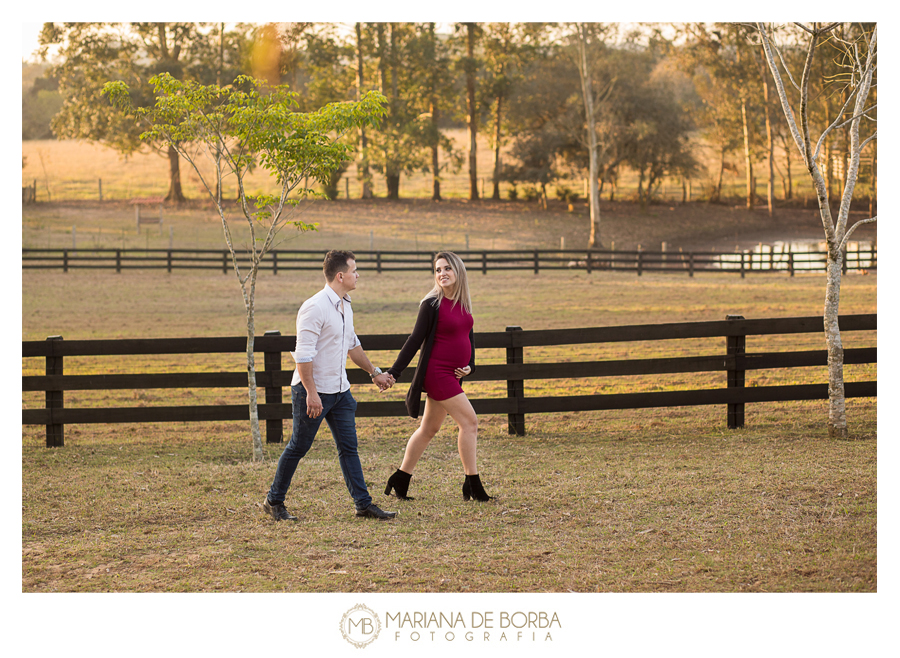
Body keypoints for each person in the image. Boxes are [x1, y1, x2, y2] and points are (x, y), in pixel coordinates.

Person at [263, 250, 398, 521]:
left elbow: (353, 345)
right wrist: (312, 394)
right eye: (354, 270)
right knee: (298, 447)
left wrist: (375, 372)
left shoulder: (345, 303)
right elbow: (303, 355)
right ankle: (273, 501)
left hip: (340, 393)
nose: (358, 275)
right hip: (312, 392)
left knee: (349, 447)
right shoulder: (314, 307)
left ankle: (363, 504)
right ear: (340, 275)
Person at [383, 251, 493, 502]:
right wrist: (393, 372)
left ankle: (400, 479)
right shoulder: (431, 304)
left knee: (428, 429)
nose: (441, 273)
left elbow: (468, 338)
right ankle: (473, 485)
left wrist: (470, 366)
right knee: (470, 422)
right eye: (437, 270)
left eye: (447, 269)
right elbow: (414, 341)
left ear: (458, 272)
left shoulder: (463, 302)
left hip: (453, 375)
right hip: (437, 373)